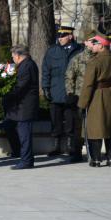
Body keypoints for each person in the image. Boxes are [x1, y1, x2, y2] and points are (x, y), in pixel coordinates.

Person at [42, 26, 83, 157]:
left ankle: (71, 146)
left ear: (70, 36)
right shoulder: (52, 51)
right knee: (55, 120)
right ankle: (56, 146)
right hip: (55, 90)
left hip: (72, 92)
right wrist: (45, 87)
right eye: (59, 36)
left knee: (71, 121)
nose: (60, 38)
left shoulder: (79, 50)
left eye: (63, 36)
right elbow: (46, 71)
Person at [2, 45, 39, 170]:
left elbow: (21, 86)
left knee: (25, 135)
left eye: (13, 57)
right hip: (22, 106)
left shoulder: (27, 66)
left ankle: (26, 161)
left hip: (25, 105)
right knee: (21, 132)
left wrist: (6, 93)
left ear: (18, 56)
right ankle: (25, 158)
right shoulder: (26, 64)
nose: (13, 59)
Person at [78, 33, 111, 167]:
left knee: (95, 127)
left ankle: (96, 159)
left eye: (95, 44)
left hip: (97, 95)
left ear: (101, 45)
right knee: (109, 126)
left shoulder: (95, 61)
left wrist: (82, 104)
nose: (92, 47)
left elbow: (88, 85)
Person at [65, 31, 96, 163]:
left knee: (94, 126)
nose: (93, 43)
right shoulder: (78, 58)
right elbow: (69, 76)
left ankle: (94, 153)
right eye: (91, 41)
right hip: (79, 96)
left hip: (95, 96)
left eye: (95, 41)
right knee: (77, 127)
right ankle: (76, 152)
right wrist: (70, 93)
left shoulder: (99, 57)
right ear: (85, 42)